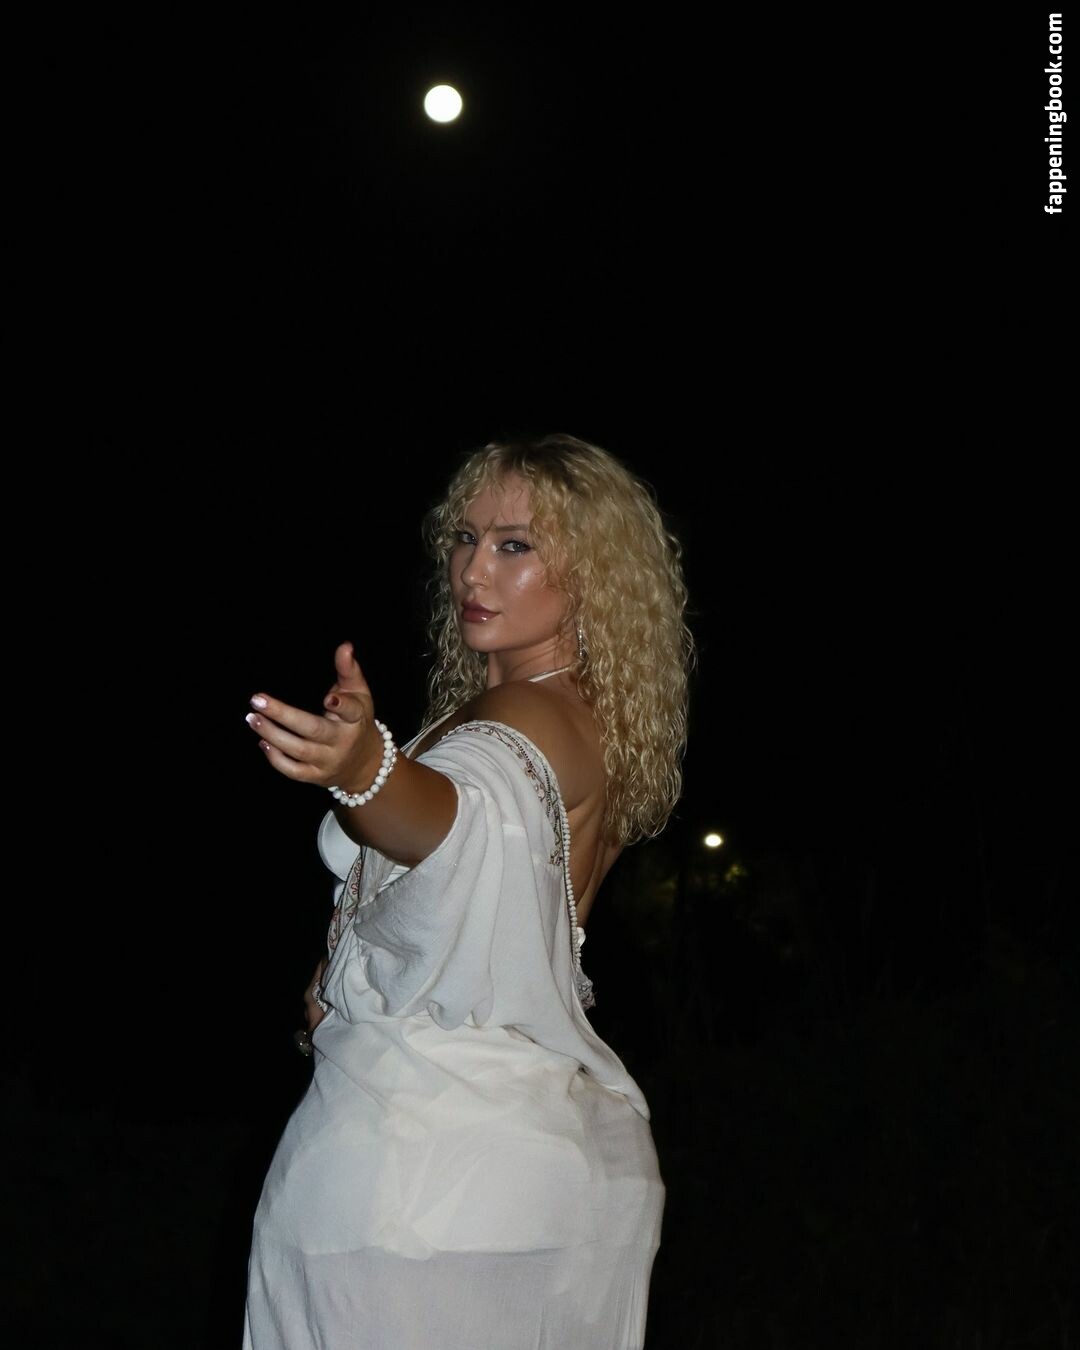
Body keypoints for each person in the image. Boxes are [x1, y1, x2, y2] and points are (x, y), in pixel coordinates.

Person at [241, 432, 695, 1349]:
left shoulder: (521, 717)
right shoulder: (582, 720)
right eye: (464, 538)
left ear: (593, 576)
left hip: (414, 1186)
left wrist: (366, 772)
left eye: (515, 545)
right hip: (542, 1170)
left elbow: (453, 820)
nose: (473, 570)